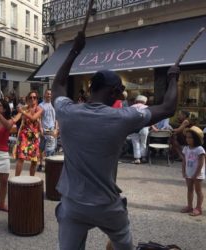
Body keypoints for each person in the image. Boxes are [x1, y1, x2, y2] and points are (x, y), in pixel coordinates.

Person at [51, 31, 179, 250]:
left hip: (73, 204)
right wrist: (173, 78)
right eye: (119, 93)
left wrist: (74, 51)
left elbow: (58, 85)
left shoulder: (67, 112)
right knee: (124, 244)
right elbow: (169, 107)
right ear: (113, 92)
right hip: (106, 205)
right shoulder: (122, 118)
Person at [13, 91, 43, 176]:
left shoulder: (39, 109)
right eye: (30, 97)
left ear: (37, 99)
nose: (32, 99)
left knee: (34, 160)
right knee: (21, 158)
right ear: (28, 99)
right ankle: (16, 179)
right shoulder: (24, 108)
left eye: (34, 97)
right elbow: (15, 119)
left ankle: (32, 179)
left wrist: (22, 112)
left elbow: (33, 118)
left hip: (34, 136)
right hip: (24, 135)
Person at [180, 126, 205, 217]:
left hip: (197, 174)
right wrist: (183, 171)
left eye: (190, 137)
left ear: (196, 138)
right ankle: (189, 206)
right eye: (187, 137)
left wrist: (196, 174)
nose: (188, 139)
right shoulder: (186, 148)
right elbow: (184, 161)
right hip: (189, 173)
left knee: (198, 191)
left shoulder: (200, 149)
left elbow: (201, 163)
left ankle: (198, 208)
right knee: (189, 189)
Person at [38, 89, 58, 172]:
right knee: (41, 148)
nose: (49, 95)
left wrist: (56, 129)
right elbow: (38, 118)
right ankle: (40, 164)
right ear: (44, 94)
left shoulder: (54, 105)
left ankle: (47, 166)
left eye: (50, 94)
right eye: (47, 94)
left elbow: (56, 118)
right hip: (43, 129)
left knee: (49, 149)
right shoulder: (41, 105)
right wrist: (40, 128)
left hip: (51, 129)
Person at [130, 95, 149, 164]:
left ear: (136, 100)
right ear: (145, 101)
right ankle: (143, 157)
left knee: (135, 142)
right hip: (144, 127)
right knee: (143, 142)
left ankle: (137, 158)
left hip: (134, 127)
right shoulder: (147, 108)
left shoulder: (131, 107)